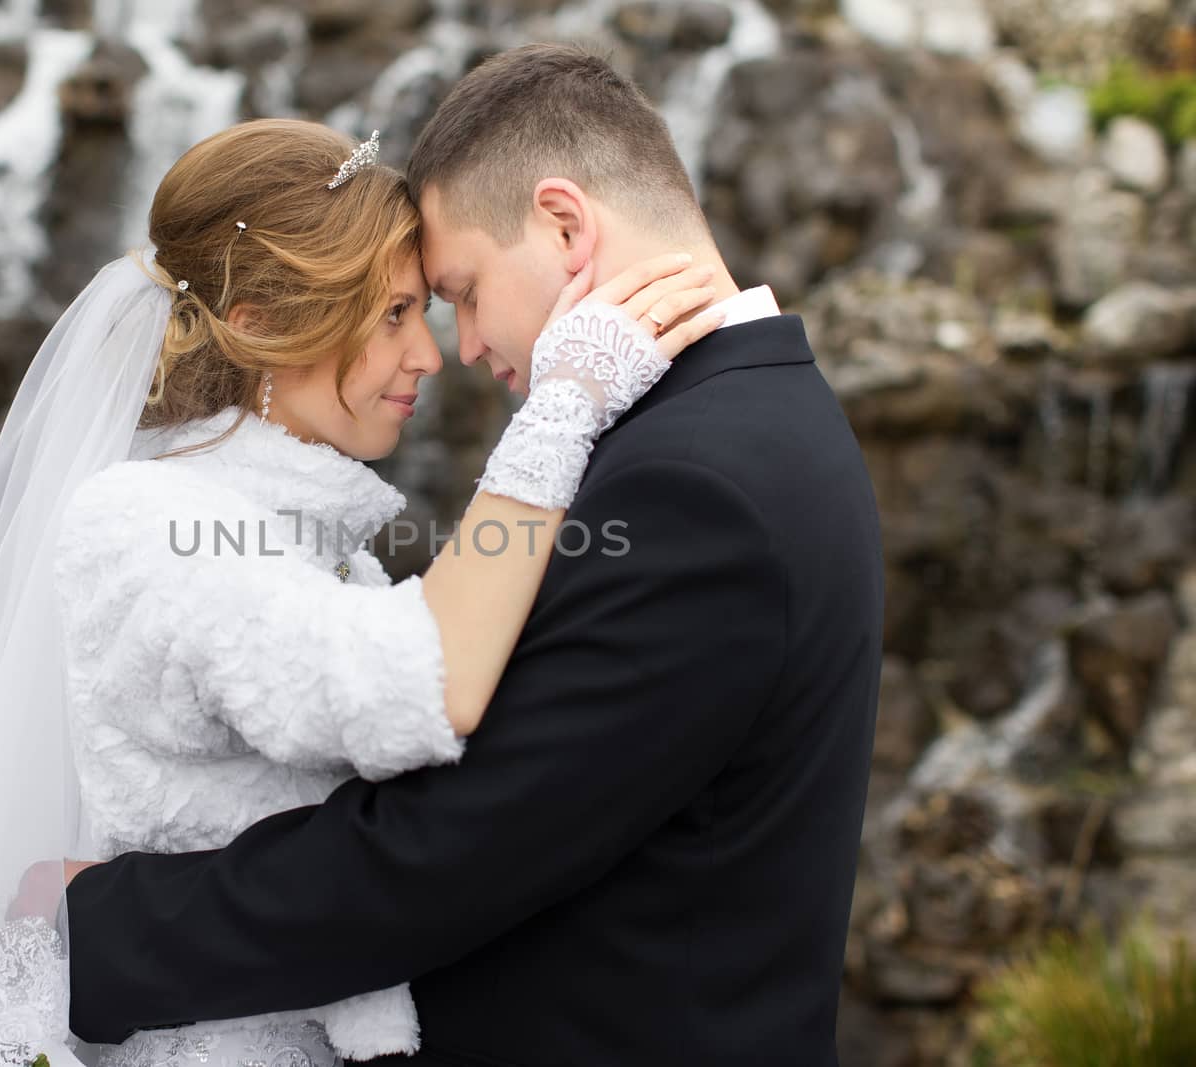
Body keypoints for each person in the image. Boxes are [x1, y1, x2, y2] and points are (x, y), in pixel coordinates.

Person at [0, 115, 719, 1067]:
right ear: (257, 324)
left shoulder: (314, 538)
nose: (428, 356)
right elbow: (414, 685)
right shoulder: (145, 520)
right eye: (393, 315)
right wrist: (562, 411)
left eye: (426, 310)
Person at [63, 46, 886, 1066]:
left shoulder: (695, 485)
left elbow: (448, 851)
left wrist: (91, 928)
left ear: (565, 226)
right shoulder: (736, 427)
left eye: (457, 293)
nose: (454, 350)